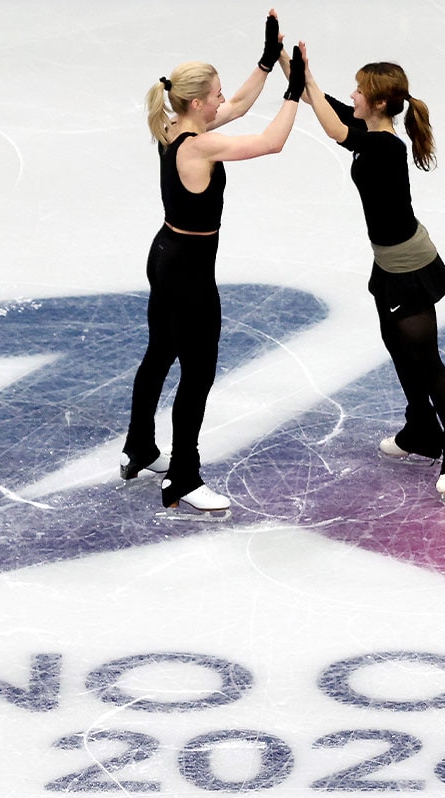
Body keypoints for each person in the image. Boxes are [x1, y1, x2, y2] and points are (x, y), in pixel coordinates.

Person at [124, 14, 305, 520]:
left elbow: (243, 104)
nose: (224, 100)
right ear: (199, 101)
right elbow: (271, 141)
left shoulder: (176, 127)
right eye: (217, 94)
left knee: (161, 351)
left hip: (165, 255)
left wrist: (268, 62)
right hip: (188, 272)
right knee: (198, 373)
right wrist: (294, 92)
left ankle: (139, 447)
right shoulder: (200, 145)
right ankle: (184, 475)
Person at [293, 50, 445, 498]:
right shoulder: (371, 131)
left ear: (377, 104)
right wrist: (296, 70)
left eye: (359, 90)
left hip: (409, 266)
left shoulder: (384, 146)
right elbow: (331, 108)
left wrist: (306, 83)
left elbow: (335, 128)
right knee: (396, 345)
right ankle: (420, 429)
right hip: (388, 261)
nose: (352, 94)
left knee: (426, 360)